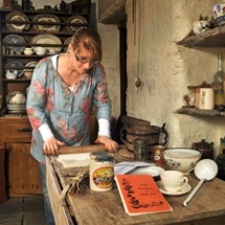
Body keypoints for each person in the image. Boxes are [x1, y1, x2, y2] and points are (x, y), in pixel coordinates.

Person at [26, 28, 118, 225]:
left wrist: (104, 133)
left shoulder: (97, 71)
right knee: (52, 194)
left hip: (79, 145)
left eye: (92, 61)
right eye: (82, 59)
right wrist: (48, 137)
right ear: (70, 49)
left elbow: (103, 103)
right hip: (49, 146)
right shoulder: (45, 69)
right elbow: (34, 106)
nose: (87, 66)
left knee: (79, 192)